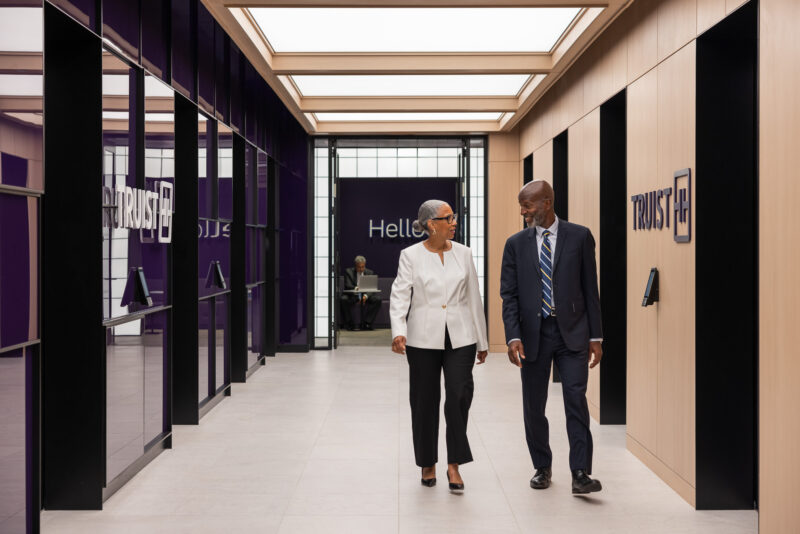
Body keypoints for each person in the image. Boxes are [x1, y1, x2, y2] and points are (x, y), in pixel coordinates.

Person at [500, 180, 604, 495]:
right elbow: (509, 296)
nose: (523, 212)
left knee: (576, 400)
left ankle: (581, 472)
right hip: (533, 335)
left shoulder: (580, 236)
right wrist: (512, 336)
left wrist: (596, 336)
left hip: (573, 333)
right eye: (521, 206)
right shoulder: (515, 244)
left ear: (546, 202)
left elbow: (590, 289)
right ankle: (542, 467)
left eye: (527, 205)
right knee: (534, 405)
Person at [390, 200, 488, 493]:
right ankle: (427, 462)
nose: (454, 222)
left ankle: (454, 464)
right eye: (449, 218)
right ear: (431, 224)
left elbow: (474, 297)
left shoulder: (464, 253)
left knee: (459, 395)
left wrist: (482, 340)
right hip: (422, 339)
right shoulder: (410, 255)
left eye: (453, 217)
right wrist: (399, 331)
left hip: (461, 337)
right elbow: (400, 294)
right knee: (424, 400)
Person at [340, 255, 381, 331]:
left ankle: (367, 323)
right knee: (343, 299)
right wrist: (357, 289)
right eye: (359, 267)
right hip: (353, 295)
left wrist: (366, 296)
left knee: (377, 299)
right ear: (355, 266)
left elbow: (372, 288)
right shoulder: (348, 272)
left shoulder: (370, 272)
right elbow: (348, 285)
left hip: (364, 295)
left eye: (363, 267)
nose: (361, 269)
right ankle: (349, 323)